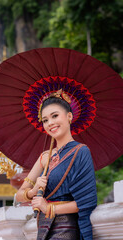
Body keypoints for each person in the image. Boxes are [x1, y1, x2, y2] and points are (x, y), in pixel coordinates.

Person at [16, 89, 97, 240]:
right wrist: (32, 192)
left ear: (69, 116)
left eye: (55, 116)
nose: (50, 123)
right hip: (43, 227)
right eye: (45, 120)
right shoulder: (44, 157)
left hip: (66, 227)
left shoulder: (80, 151)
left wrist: (48, 207)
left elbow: (86, 202)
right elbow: (19, 195)